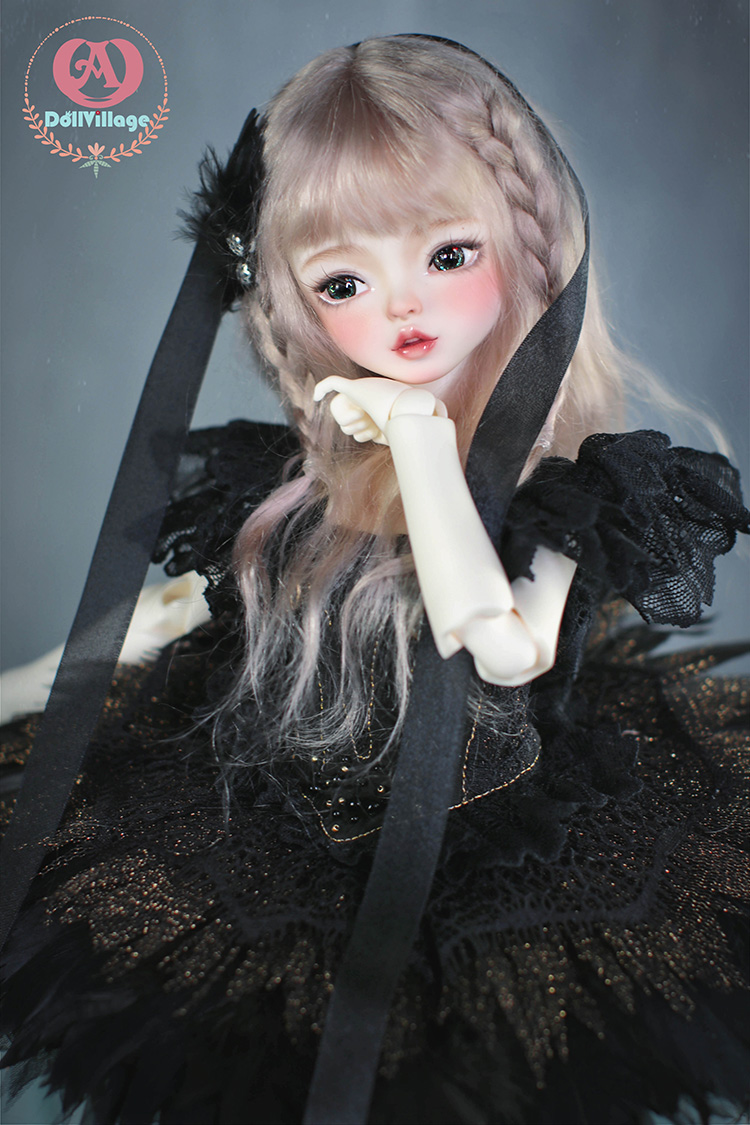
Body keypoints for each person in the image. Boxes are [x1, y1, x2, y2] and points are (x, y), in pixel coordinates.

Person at [1, 35, 748, 1125]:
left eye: (449, 254)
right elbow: (174, 614)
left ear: (526, 246)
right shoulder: (287, 481)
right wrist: (19, 691)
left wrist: (424, 442)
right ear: (297, 307)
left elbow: (500, 644)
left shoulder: (569, 495)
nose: (404, 307)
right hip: (269, 833)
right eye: (344, 282)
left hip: (492, 851)